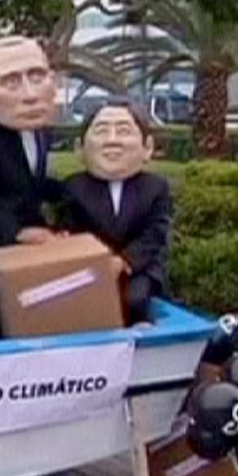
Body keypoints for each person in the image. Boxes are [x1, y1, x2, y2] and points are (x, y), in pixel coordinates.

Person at [0, 35, 65, 332]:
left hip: (31, 253)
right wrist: (16, 232)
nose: (30, 95)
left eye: (37, 77)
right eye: (11, 83)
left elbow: (32, 184)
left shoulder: (41, 133)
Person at [61, 101, 172, 325]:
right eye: (102, 131)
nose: (112, 141)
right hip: (89, 269)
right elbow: (70, 230)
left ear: (147, 147)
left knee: (134, 299)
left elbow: (155, 233)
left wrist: (124, 261)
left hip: (137, 269)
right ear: (79, 147)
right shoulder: (73, 187)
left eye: (123, 131)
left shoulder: (156, 187)